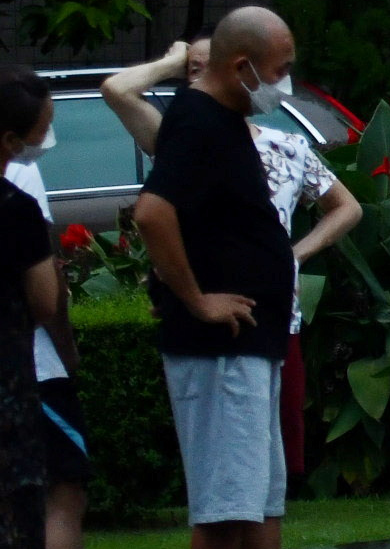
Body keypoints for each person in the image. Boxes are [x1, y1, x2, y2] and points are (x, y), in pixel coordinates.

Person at [101, 37, 362, 483]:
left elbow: (347, 206)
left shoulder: (287, 146)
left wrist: (295, 253)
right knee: (231, 465)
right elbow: (117, 90)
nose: (203, 77)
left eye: (211, 66)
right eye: (195, 70)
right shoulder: (183, 136)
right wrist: (171, 61)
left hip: (278, 311)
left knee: (274, 456)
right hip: (219, 316)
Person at [133, 7, 298, 549]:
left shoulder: (222, 117)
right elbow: (154, 213)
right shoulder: (197, 120)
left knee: (260, 500)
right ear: (242, 65)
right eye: (280, 70)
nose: (284, 82)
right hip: (222, 350)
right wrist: (197, 300)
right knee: (228, 506)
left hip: (253, 341)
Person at [0, 70, 80, 549]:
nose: (44, 142)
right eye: (42, 131)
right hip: (4, 381)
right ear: (9, 140)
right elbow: (45, 301)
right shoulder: (14, 210)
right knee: (16, 504)